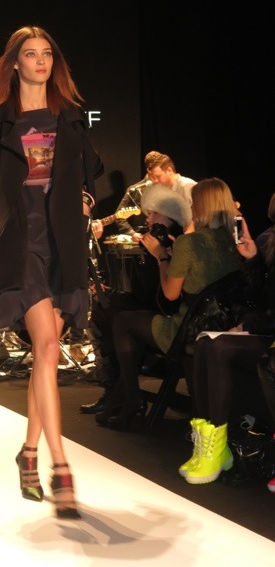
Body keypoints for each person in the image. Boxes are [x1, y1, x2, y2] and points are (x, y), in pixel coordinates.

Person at [0, 25, 104, 519]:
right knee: (47, 346)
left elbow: (86, 175)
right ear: (14, 63)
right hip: (24, 243)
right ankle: (62, 468)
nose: (40, 61)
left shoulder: (70, 117)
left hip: (64, 241)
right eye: (30, 53)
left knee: (46, 352)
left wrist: (82, 201)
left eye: (47, 54)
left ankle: (28, 452)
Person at [96, 177, 243, 431]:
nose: (190, 206)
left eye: (194, 202)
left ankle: (131, 396)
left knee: (122, 322)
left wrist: (161, 258)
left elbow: (170, 294)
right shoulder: (231, 241)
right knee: (127, 319)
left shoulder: (189, 243)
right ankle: (127, 396)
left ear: (202, 205)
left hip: (187, 329)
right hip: (222, 325)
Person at [179, 191, 275, 485]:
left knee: (219, 346)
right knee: (207, 343)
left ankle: (216, 447)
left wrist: (252, 324)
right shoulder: (270, 240)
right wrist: (254, 260)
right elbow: (265, 297)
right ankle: (210, 444)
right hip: (268, 330)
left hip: (268, 333)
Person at [80, 183, 192, 414]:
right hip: (150, 303)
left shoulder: (178, 244)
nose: (148, 219)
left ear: (171, 217)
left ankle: (123, 394)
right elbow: (144, 290)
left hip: (169, 313)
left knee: (117, 318)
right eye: (148, 213)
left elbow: (168, 299)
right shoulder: (151, 240)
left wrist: (161, 256)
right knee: (102, 308)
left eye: (154, 214)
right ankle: (113, 389)